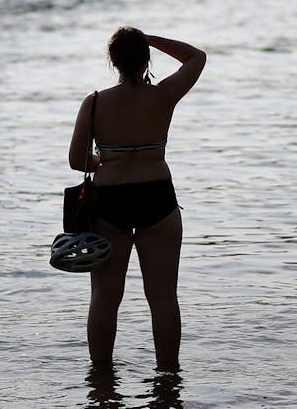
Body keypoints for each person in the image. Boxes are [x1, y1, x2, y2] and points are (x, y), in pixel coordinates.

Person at [68, 27, 206, 372]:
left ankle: (101, 376)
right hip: (156, 196)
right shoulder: (163, 95)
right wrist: (152, 39)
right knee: (162, 298)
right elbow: (196, 57)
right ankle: (168, 374)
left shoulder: (95, 101)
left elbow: (78, 162)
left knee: (105, 298)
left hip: (109, 201)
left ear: (112, 61)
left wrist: (106, 159)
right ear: (146, 59)